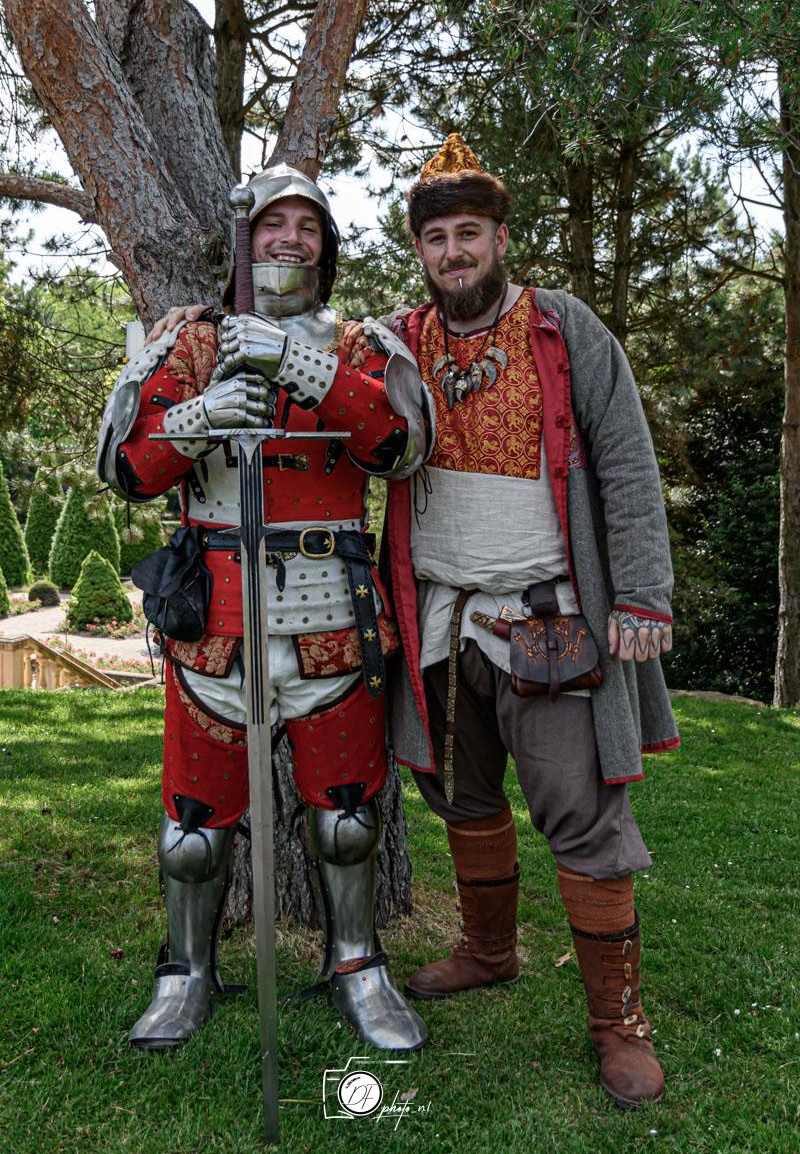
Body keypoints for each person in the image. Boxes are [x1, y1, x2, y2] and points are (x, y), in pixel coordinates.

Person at [96, 163, 432, 1054]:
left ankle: (358, 965)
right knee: (193, 832)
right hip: (213, 619)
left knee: (348, 816)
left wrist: (301, 364)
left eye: (306, 225)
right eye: (272, 224)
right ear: (243, 243)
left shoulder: (360, 345)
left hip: (331, 614)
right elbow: (129, 468)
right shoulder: (191, 345)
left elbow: (399, 444)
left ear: (326, 246)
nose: (289, 238)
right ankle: (187, 972)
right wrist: (199, 415)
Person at [380, 134, 679, 1108]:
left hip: (547, 617)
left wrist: (641, 593)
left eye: (468, 233)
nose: (453, 252)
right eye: (436, 239)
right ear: (420, 251)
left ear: (500, 238)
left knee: (581, 814)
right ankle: (488, 951)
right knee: (460, 796)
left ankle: (618, 1024)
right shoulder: (396, 341)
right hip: (441, 620)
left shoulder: (562, 327)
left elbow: (625, 459)